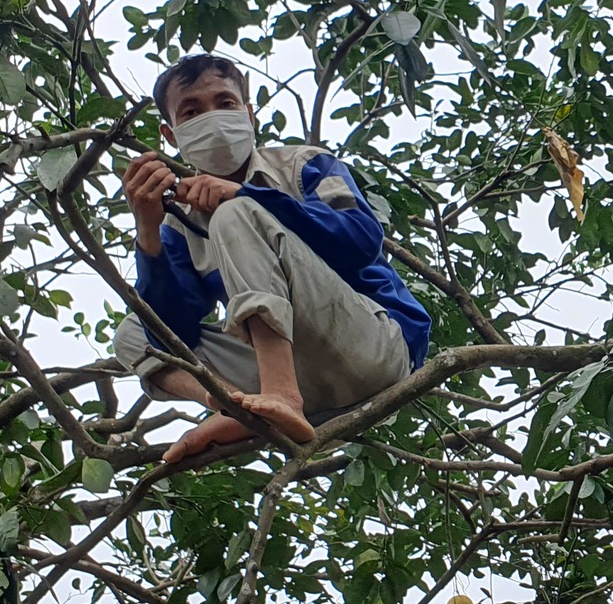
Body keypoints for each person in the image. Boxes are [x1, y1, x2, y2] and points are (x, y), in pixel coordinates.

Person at [114, 55, 432, 464]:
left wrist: (250, 198)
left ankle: (280, 393)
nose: (211, 117)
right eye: (191, 111)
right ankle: (238, 407)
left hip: (372, 348)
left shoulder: (304, 166)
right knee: (133, 333)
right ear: (171, 134)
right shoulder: (179, 223)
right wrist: (149, 233)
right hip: (303, 383)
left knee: (235, 213)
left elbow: (360, 243)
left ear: (249, 113)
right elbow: (171, 334)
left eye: (225, 103)